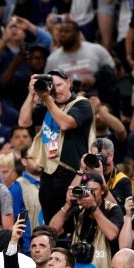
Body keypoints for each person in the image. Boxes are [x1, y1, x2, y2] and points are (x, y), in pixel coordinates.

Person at [19, 70, 94, 222]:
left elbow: (66, 123)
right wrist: (31, 94)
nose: (56, 90)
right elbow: (24, 122)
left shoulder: (82, 104)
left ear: (69, 82)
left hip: (72, 174)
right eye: (53, 86)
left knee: (70, 222)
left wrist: (47, 98)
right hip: (48, 171)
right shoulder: (47, 104)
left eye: (60, 85)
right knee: (50, 223)